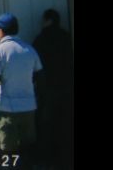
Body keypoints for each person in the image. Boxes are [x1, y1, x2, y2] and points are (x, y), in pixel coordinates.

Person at [0, 13, 43, 169]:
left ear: (1, 30)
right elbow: (40, 77)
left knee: (8, 150)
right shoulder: (30, 50)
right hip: (29, 107)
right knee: (28, 147)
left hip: (8, 109)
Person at [32, 9, 74, 170]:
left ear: (47, 20)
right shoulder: (66, 37)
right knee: (65, 123)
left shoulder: (41, 40)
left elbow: (35, 66)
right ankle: (65, 159)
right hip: (66, 87)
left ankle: (46, 160)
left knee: (46, 125)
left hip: (47, 89)